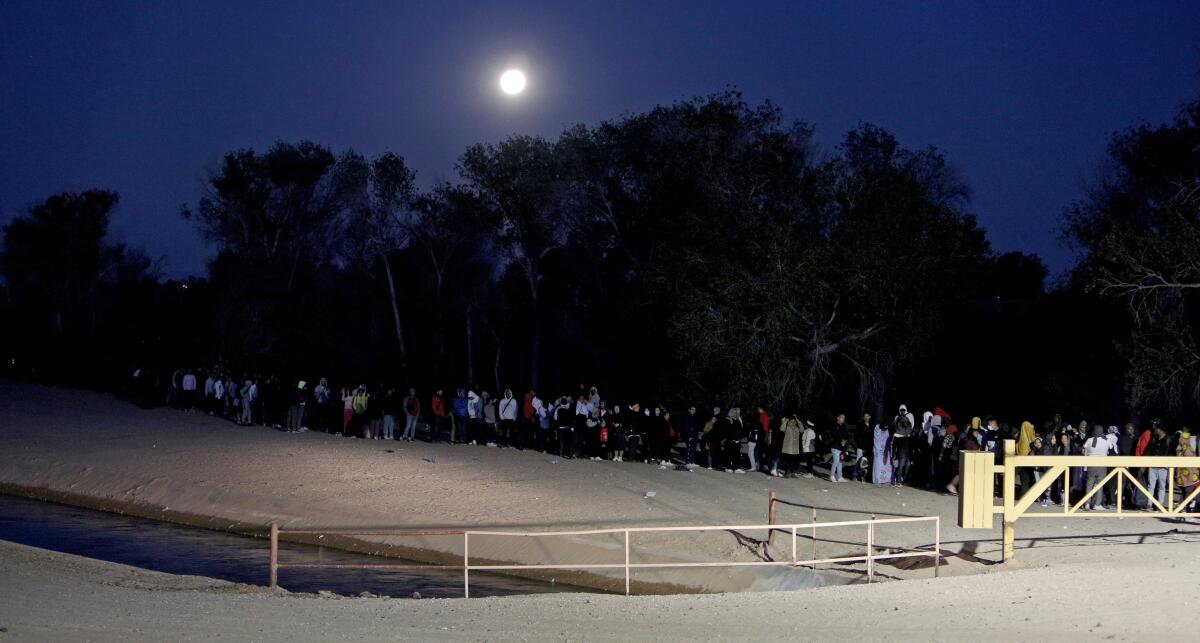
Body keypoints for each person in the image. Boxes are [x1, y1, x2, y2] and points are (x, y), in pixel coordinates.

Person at [1082, 425, 1117, 510]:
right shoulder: (1106, 440)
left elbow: (1083, 450)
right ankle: (1097, 504)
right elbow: (1111, 449)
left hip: (1091, 465)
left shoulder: (1089, 440)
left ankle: (1087, 503)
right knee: (1100, 485)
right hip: (1102, 465)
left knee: (1089, 484)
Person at [1145, 421, 1170, 508]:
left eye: (1158, 429)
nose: (1156, 430)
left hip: (1163, 467)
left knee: (1162, 486)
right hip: (1152, 466)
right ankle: (1149, 503)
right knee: (1151, 486)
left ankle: (1160, 504)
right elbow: (1148, 450)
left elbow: (1170, 453)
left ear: (1162, 430)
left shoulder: (1168, 439)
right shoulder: (1154, 439)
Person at [892, 404, 915, 486]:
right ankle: (898, 481)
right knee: (901, 466)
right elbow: (895, 442)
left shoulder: (909, 430)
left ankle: (903, 480)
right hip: (902, 450)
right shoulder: (898, 430)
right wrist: (894, 452)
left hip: (908, 451)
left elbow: (912, 441)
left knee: (907, 466)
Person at [872, 421, 893, 486]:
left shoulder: (886, 429)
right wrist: (879, 450)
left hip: (885, 450)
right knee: (878, 465)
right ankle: (877, 479)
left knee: (886, 465)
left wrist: (887, 449)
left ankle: (886, 479)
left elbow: (887, 438)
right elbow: (876, 440)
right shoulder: (877, 428)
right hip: (878, 450)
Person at [829, 413, 849, 482]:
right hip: (835, 446)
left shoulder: (844, 426)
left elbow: (847, 435)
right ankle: (831, 475)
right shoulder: (834, 425)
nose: (843, 419)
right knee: (836, 461)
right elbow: (834, 435)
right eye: (842, 417)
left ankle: (840, 477)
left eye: (844, 418)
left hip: (842, 447)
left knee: (840, 462)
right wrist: (841, 440)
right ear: (838, 418)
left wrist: (845, 441)